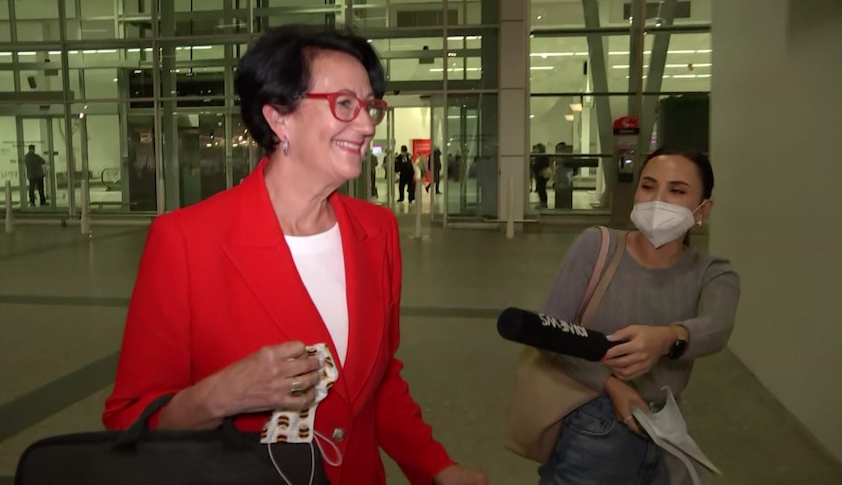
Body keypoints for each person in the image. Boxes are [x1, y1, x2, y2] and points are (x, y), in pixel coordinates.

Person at [103, 25, 487, 485]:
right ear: (279, 118)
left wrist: (436, 466)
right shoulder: (186, 241)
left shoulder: (377, 231)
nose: (365, 124)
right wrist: (220, 395)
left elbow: (377, 381)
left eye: (370, 107)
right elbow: (129, 419)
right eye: (344, 104)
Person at [537, 147, 740, 484]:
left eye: (677, 190)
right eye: (648, 186)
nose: (657, 200)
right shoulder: (596, 246)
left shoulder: (713, 273)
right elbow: (549, 331)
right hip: (594, 423)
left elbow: (717, 327)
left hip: (666, 430)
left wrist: (667, 338)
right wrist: (611, 384)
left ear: (703, 208)